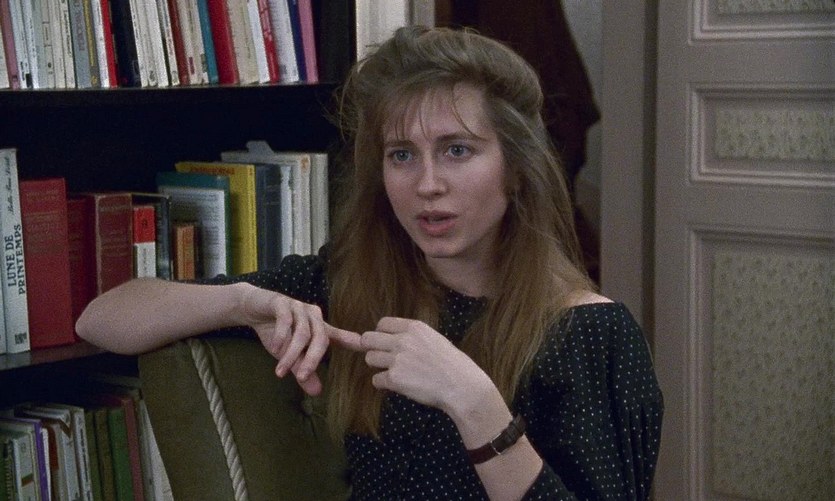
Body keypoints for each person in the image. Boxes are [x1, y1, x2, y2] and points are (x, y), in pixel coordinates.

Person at [77, 25, 663, 500]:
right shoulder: (347, 284)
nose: (427, 184)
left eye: (457, 150)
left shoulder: (591, 333)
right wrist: (242, 302)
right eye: (402, 155)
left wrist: (476, 405)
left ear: (515, 168)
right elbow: (101, 320)